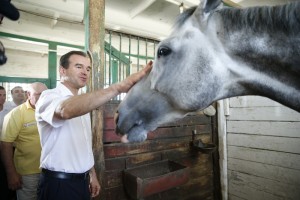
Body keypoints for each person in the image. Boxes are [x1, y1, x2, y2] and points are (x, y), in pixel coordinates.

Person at [35, 51, 152, 200]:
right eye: (79, 66)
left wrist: (92, 174)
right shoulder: (49, 96)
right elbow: (64, 110)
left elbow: (83, 144)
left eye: (88, 68)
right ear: (62, 70)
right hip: (59, 185)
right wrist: (118, 87)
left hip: (82, 182)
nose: (85, 72)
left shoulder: (83, 102)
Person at [0, 82, 48, 200]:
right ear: (28, 94)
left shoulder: (49, 111)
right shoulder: (15, 114)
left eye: (46, 94)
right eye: (39, 94)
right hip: (28, 173)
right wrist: (11, 174)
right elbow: (6, 145)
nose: (43, 98)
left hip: (50, 170)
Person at [0, 86, 16, 200]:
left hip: (8, 148)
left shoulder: (10, 109)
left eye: (4, 95)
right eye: (0, 95)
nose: (2, 98)